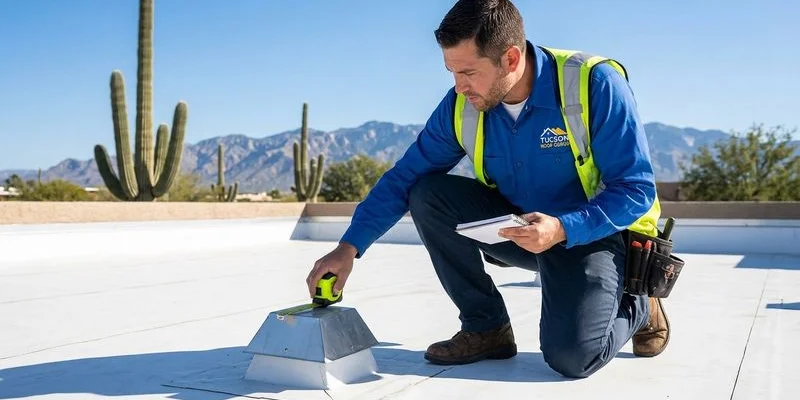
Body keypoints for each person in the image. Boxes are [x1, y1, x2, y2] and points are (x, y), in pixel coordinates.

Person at [305, 0, 670, 379]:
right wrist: (348, 248)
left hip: (593, 236)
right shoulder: (461, 105)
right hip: (522, 233)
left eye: (468, 72)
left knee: (572, 358)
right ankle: (487, 327)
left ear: (510, 59)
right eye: (452, 72)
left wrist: (562, 228)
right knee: (427, 192)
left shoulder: (594, 83)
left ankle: (639, 301)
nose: (459, 87)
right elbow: (404, 177)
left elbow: (635, 190)